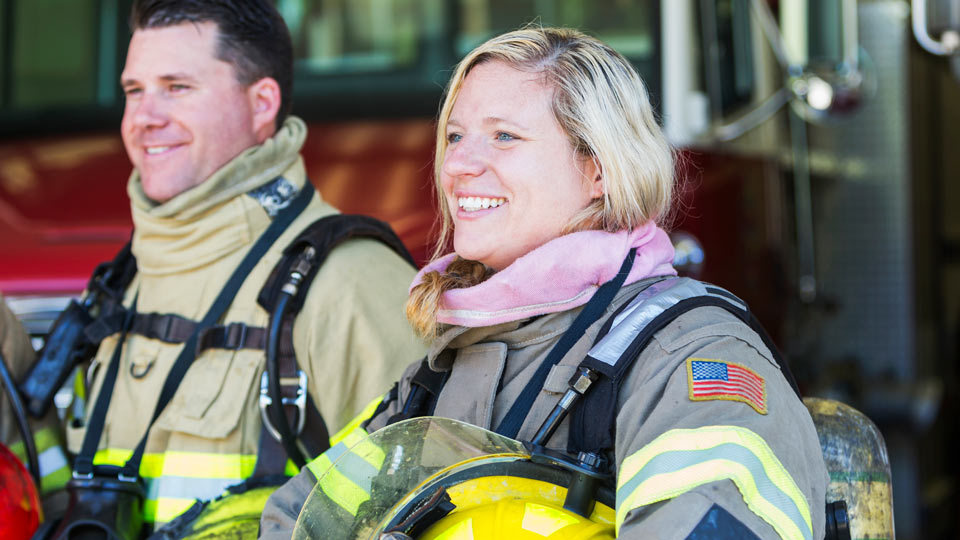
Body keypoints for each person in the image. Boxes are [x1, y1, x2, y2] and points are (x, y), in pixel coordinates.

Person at [261, 27, 829, 539]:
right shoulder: (442, 367)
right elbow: (298, 519)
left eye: (504, 136)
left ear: (598, 170)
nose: (458, 165)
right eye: (455, 136)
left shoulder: (688, 357)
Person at [33, 0, 424, 533]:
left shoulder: (353, 285)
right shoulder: (123, 283)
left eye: (177, 87)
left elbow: (423, 511)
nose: (144, 118)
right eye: (133, 91)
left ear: (262, 103)